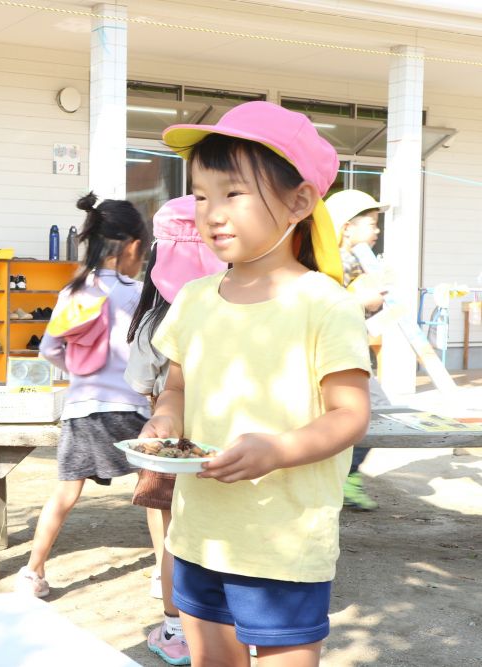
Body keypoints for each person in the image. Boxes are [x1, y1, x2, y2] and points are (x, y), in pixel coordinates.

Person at [141, 101, 372, 665]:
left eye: (233, 193)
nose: (212, 214)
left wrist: (277, 449)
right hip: (199, 536)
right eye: (200, 195)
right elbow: (176, 386)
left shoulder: (325, 304)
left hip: (282, 543)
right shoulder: (195, 297)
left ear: (299, 202)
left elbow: (349, 414)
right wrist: (166, 420)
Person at [15, 192, 150, 597]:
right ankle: (168, 578)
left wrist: (80, 373)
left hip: (81, 409)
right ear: (134, 246)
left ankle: (33, 571)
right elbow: (154, 352)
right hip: (131, 408)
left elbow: (49, 349)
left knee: (65, 491)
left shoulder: (73, 292)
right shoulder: (139, 292)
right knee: (158, 492)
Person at [125, 194, 227, 666]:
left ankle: (174, 630)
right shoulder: (230, 310)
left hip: (167, 450)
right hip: (224, 446)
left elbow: (145, 386)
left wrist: (162, 411)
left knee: (169, 539)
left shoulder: (151, 322)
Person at [327, 188, 392, 511]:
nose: (376, 230)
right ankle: (345, 476)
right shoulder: (331, 262)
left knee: (370, 412)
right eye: (371, 223)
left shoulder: (360, 263)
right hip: (335, 357)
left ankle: (344, 475)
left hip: (353, 353)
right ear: (346, 227)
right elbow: (323, 308)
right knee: (375, 410)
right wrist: (361, 302)